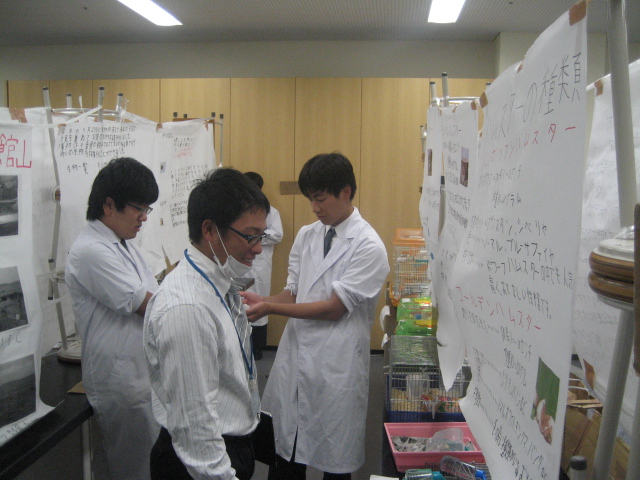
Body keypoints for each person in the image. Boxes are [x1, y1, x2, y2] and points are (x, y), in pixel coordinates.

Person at [241, 153, 390, 479]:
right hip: (296, 355)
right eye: (310, 199)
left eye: (320, 199)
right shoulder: (308, 235)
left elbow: (334, 308)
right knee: (286, 453)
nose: (314, 208)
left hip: (336, 362)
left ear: (345, 192)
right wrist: (263, 300)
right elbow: (295, 292)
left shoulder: (368, 246)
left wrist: (270, 308)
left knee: (334, 460)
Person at [144, 167, 270, 480]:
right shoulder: (187, 308)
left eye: (262, 235)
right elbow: (194, 426)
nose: (258, 247)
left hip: (231, 443)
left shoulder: (219, 281)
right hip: (200, 463)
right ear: (210, 230)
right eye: (250, 235)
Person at [65, 157, 160, 480]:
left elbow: (154, 294)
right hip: (121, 381)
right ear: (108, 205)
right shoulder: (91, 250)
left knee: (147, 462)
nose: (144, 217)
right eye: (138, 208)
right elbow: (146, 304)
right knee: (134, 469)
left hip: (140, 374)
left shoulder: (123, 244)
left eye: (147, 209)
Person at [243, 171, 283, 360]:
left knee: (259, 302)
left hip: (260, 265)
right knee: (240, 300)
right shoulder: (238, 211)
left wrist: (255, 236)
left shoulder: (271, 212)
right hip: (240, 264)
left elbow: (277, 234)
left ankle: (257, 347)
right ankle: (242, 344)